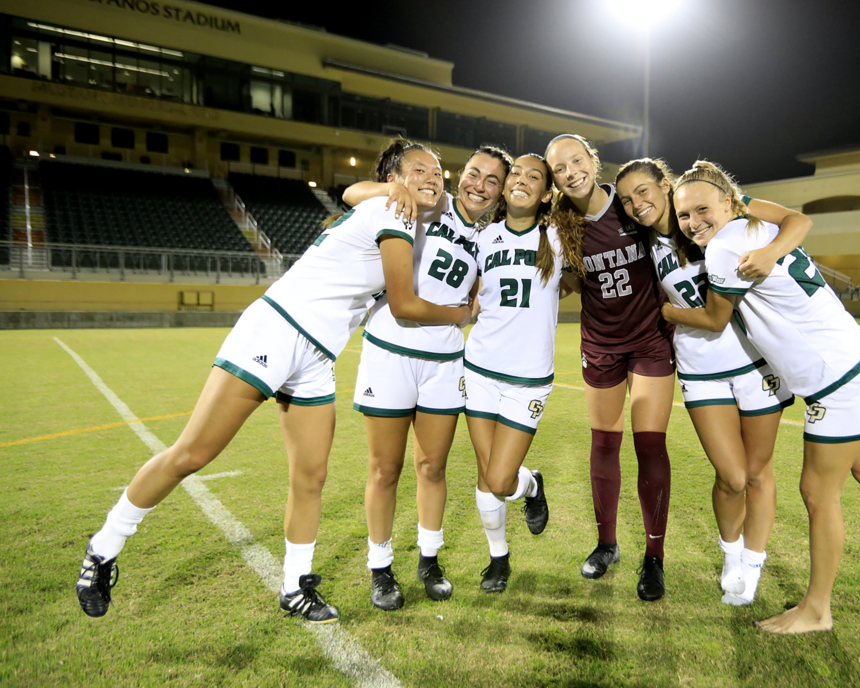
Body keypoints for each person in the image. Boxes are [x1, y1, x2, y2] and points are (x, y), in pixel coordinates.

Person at [75, 138, 471, 623]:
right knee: (193, 453)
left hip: (317, 355)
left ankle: (294, 587)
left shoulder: (404, 210)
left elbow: (358, 192)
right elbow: (405, 304)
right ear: (393, 180)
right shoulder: (392, 211)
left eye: (438, 172)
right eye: (419, 170)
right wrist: (463, 312)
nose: (433, 178)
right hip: (279, 328)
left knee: (311, 476)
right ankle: (102, 549)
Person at [666, 160, 860, 633]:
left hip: (835, 376)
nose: (694, 223)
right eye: (684, 217)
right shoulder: (752, 218)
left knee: (817, 493)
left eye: (702, 210)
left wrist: (665, 310)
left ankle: (817, 610)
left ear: (726, 203)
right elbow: (799, 220)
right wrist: (776, 246)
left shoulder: (721, 249)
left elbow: (716, 320)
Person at [615, 158, 810, 605]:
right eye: (628, 199)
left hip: (755, 361)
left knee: (758, 475)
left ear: (667, 185)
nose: (637, 204)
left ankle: (751, 569)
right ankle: (730, 555)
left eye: (644, 192)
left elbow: (795, 224)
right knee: (733, 476)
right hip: (701, 369)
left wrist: (666, 312)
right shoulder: (648, 239)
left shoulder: (727, 224)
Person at [344, 146, 512, 611]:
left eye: (492, 180)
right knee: (385, 469)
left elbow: (480, 297)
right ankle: (380, 568)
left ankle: (429, 560)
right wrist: (392, 185)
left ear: (499, 192)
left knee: (432, 468)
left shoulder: (493, 238)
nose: (479, 184)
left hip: (444, 362)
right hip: (390, 352)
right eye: (474, 174)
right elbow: (352, 192)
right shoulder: (427, 203)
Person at [543, 134, 673, 601]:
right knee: (604, 442)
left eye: (577, 160)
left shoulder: (630, 206)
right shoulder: (558, 224)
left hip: (650, 340)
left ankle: (654, 557)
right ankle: (607, 543)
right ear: (554, 177)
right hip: (599, 342)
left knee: (650, 444)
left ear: (593, 161)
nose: (571, 171)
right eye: (560, 168)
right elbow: (572, 278)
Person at [465, 154, 571, 593]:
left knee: (502, 478)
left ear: (547, 193)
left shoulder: (560, 237)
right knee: (484, 472)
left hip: (528, 377)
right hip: (480, 369)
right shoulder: (481, 236)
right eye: (516, 174)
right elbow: (470, 297)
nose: (522, 181)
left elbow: (584, 280)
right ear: (504, 186)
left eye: (535, 177)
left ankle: (531, 485)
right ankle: (498, 558)